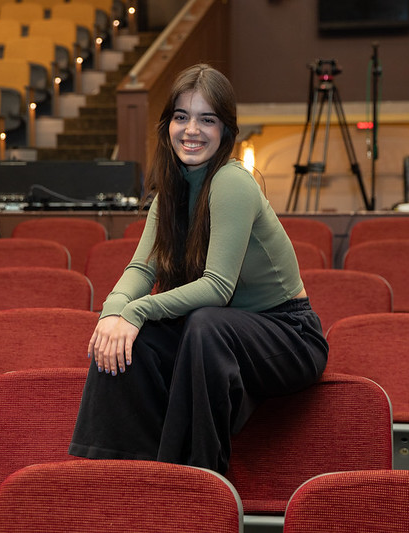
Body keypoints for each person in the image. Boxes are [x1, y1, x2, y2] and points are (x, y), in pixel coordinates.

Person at [69, 63, 328, 474]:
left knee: (202, 321)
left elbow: (217, 288)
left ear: (226, 130)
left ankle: (198, 479)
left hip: (287, 336)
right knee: (139, 340)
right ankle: (115, 474)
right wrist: (113, 313)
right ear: (167, 125)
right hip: (219, 331)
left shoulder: (231, 182)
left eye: (207, 119)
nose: (192, 130)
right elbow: (141, 268)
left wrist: (136, 311)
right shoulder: (170, 192)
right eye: (181, 117)